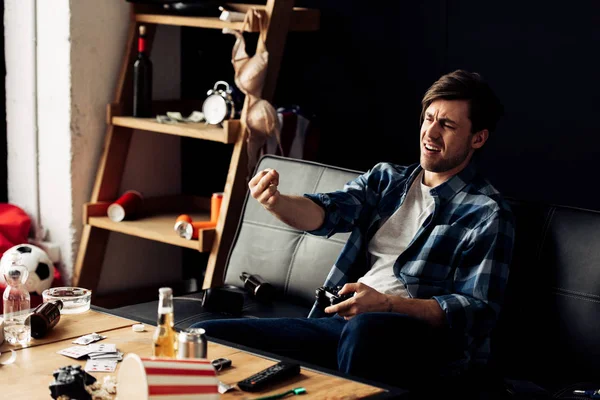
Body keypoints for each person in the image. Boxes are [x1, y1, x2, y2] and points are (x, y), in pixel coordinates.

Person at [190, 70, 515, 393]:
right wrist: (275, 201)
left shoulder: (487, 212)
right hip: (341, 325)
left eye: (447, 125)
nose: (430, 132)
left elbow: (478, 310)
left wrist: (387, 305)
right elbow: (327, 211)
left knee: (364, 331)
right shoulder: (387, 180)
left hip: (421, 345)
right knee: (205, 337)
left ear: (478, 138)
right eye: (428, 118)